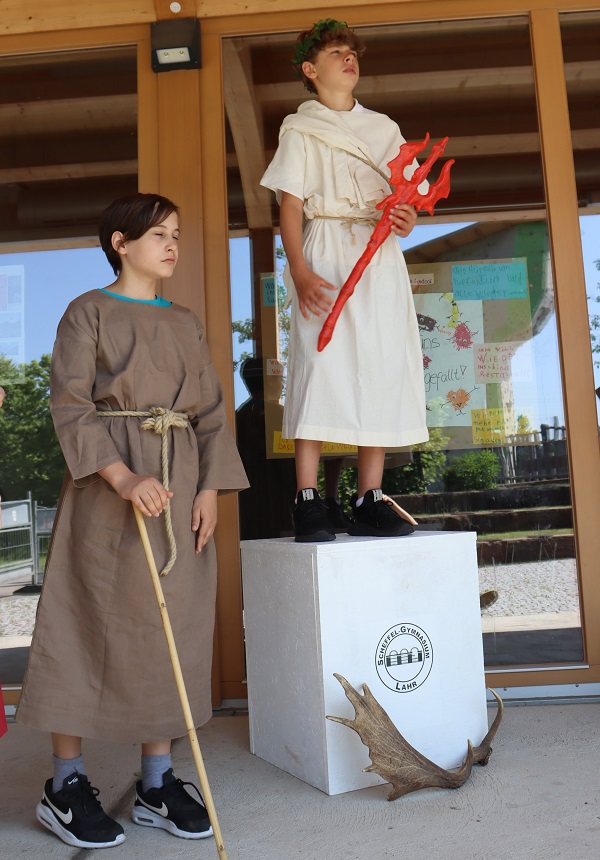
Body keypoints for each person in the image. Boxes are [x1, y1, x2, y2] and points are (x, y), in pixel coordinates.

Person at [16, 193, 248, 849]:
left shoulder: (185, 321)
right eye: (158, 235)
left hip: (178, 486)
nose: (172, 245)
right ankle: (65, 784)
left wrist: (209, 490)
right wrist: (122, 477)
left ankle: (156, 780)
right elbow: (70, 403)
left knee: (169, 628)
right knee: (81, 622)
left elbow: (210, 412)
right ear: (120, 243)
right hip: (106, 489)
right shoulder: (86, 311)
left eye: (176, 234)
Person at [260, 19, 428, 543]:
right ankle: (307, 498)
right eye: (336, 52)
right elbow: (290, 207)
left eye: (351, 52)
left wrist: (407, 220)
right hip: (326, 251)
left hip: (378, 255)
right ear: (311, 70)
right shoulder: (300, 128)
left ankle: (368, 497)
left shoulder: (385, 129)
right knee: (319, 365)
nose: (348, 58)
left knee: (378, 364)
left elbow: (407, 198)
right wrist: (299, 270)